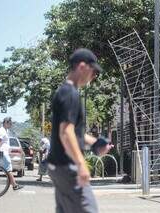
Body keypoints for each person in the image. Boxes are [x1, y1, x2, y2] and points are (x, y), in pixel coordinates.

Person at [47, 48, 114, 213]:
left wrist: (95, 143)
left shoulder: (63, 92)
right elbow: (66, 133)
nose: (94, 76)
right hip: (68, 166)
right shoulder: (70, 94)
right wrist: (81, 163)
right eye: (93, 71)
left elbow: (74, 134)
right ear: (82, 66)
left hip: (57, 165)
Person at [0, 117, 24, 191]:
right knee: (8, 169)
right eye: (10, 123)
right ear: (6, 123)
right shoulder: (1, 131)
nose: (11, 125)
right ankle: (14, 185)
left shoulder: (5, 130)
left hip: (2, 152)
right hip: (2, 152)